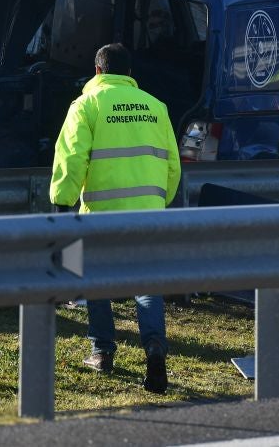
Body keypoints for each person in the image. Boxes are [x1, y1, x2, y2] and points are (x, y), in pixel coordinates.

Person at [48, 42, 180, 394]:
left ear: (97, 71)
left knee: (97, 282)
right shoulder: (157, 107)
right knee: (147, 286)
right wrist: (159, 201)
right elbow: (172, 166)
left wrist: (61, 203)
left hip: (102, 215)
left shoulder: (87, 104)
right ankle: (154, 347)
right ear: (130, 74)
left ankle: (102, 352)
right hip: (148, 215)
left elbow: (71, 158)